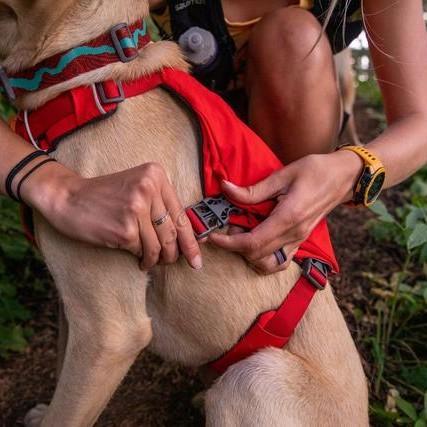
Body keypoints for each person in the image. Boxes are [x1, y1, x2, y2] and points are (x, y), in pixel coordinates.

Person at [1, 0, 426, 275]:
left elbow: (420, 122)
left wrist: (348, 169)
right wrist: (55, 187)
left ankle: (282, 248)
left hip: (280, 150)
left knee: (294, 36)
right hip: (188, 143)